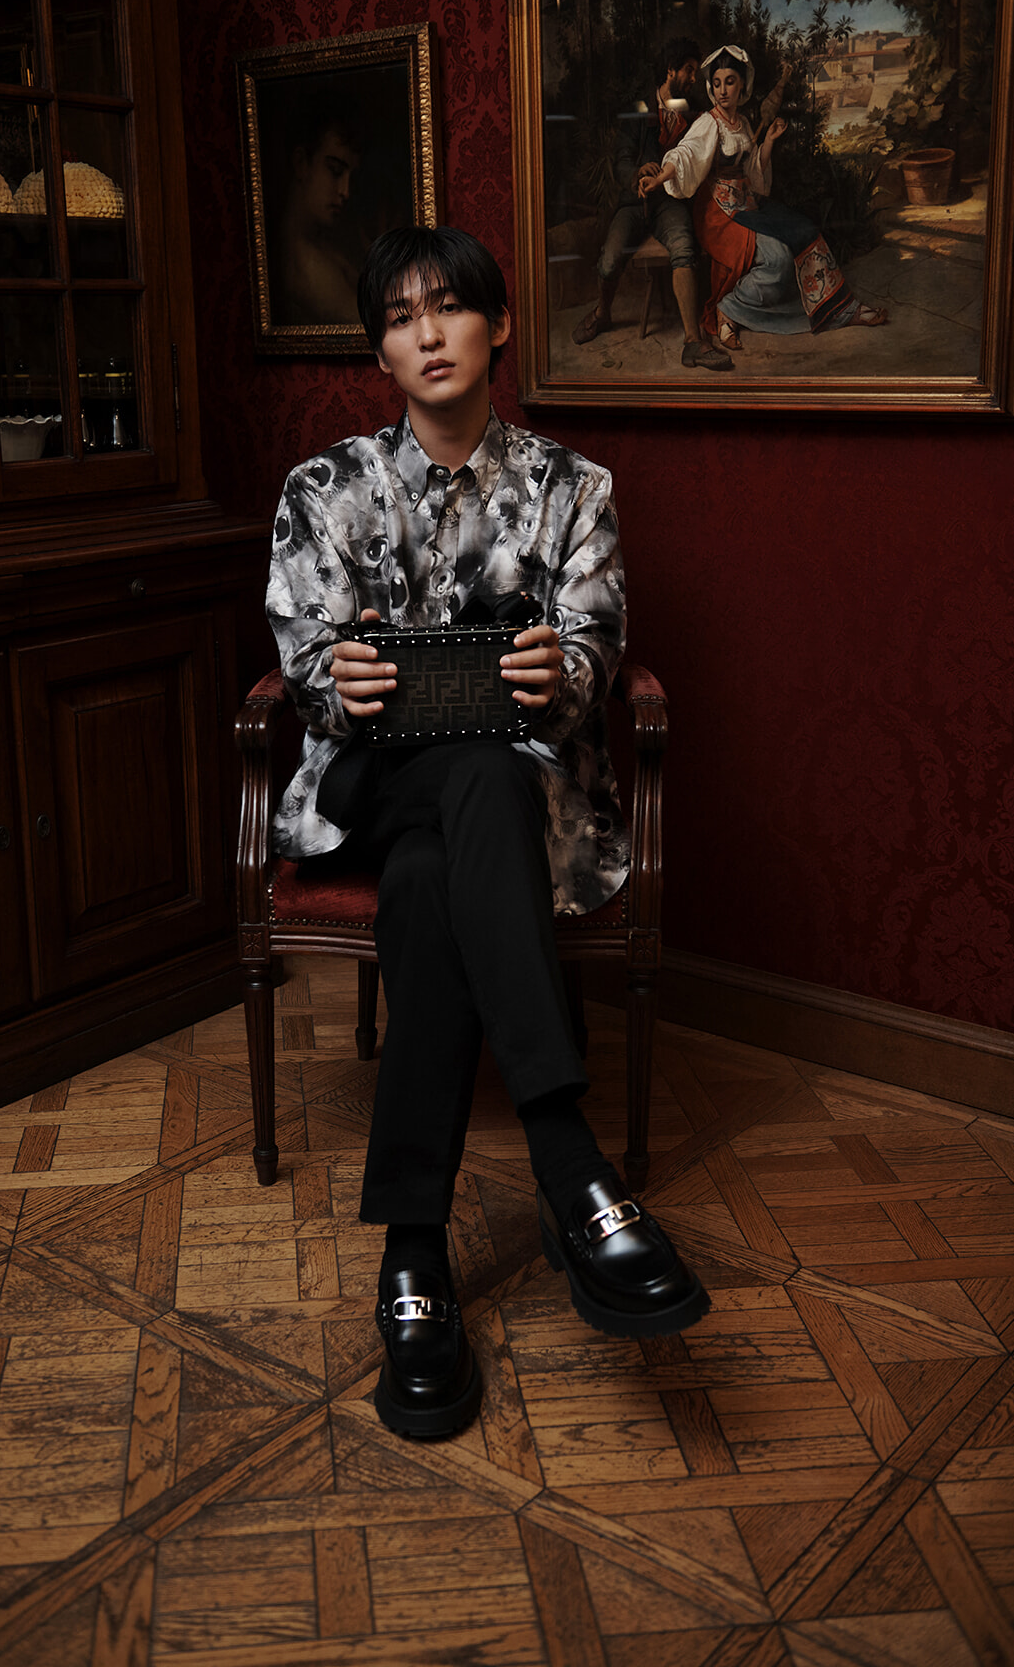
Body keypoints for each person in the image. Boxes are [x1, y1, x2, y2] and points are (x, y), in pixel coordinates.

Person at [266, 225, 709, 1442]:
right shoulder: (323, 488)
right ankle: (572, 1170)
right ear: (381, 353)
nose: (427, 333)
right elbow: (301, 661)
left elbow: (599, 647)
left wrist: (560, 674)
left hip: (512, 802)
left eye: (449, 307)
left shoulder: (575, 488)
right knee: (466, 783)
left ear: (497, 325)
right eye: (399, 317)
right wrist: (337, 681)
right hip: (369, 789)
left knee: (442, 856)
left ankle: (413, 1255)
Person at [640, 45, 887, 348]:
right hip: (718, 214)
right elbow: (685, 155)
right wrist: (660, 177)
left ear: (742, 84)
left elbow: (753, 172)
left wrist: (768, 141)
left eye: (729, 81)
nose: (722, 91)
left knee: (807, 232)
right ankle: (727, 309)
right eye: (716, 83)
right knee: (779, 259)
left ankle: (842, 310)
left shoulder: (743, 123)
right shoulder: (708, 122)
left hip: (748, 204)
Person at [571, 38, 731, 371]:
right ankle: (603, 313)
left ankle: (692, 342)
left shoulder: (693, 110)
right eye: (688, 70)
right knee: (609, 260)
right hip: (634, 202)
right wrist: (636, 172)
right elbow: (621, 159)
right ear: (670, 70)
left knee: (684, 247)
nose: (693, 78)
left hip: (670, 202)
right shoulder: (640, 108)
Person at [273, 101, 365, 325]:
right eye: (335, 171)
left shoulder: (324, 248)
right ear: (301, 163)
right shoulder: (305, 267)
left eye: (351, 177)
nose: (345, 192)